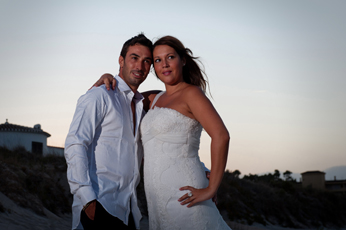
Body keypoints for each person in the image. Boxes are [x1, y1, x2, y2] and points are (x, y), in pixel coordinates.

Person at [96, 36, 231, 229]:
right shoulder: (154, 98)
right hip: (156, 198)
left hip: (184, 193)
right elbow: (124, 92)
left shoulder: (192, 94)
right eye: (158, 60)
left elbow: (221, 136)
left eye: (170, 57)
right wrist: (108, 76)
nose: (164, 64)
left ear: (183, 60)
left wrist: (211, 188)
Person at [64, 34, 154, 230]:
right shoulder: (99, 95)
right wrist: (87, 198)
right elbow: (75, 144)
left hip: (128, 210)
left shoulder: (141, 105)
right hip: (100, 204)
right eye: (134, 58)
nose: (140, 66)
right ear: (121, 60)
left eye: (147, 61)